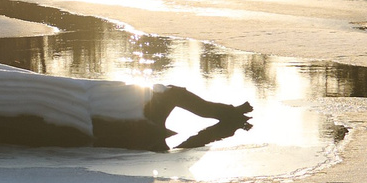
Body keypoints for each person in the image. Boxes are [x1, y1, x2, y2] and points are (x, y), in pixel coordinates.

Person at [86, 80, 253, 151]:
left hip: (166, 97)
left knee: (203, 110)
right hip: (162, 99)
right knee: (203, 110)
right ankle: (234, 113)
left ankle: (234, 113)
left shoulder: (166, 97)